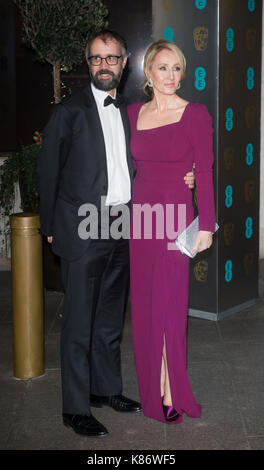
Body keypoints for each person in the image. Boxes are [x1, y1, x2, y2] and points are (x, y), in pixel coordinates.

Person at [37, 31, 195, 437]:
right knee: (78, 320)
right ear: (87, 64)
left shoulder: (132, 111)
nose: (104, 65)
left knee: (110, 316)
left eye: (112, 59)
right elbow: (48, 172)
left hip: (125, 223)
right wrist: (52, 228)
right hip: (83, 223)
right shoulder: (68, 112)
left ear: (124, 63)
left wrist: (187, 175)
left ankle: (106, 390)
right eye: (96, 59)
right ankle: (75, 407)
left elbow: (154, 155)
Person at [127, 39, 216, 424]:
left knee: (169, 306)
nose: (171, 76)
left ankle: (169, 389)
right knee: (146, 306)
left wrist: (207, 225)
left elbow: (206, 172)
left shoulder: (195, 113)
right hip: (141, 220)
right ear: (148, 73)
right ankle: (152, 387)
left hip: (175, 220)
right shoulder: (132, 113)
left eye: (176, 68)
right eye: (162, 68)